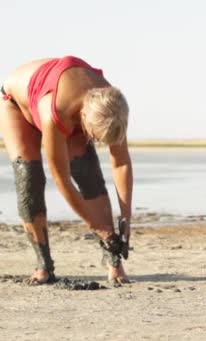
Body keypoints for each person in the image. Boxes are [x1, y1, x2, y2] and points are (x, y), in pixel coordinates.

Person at [0, 56, 133, 285]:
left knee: (88, 171)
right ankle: (44, 266)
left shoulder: (112, 106)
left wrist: (126, 217)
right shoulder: (56, 112)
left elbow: (120, 163)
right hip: (17, 103)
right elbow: (61, 180)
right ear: (84, 119)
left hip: (70, 99)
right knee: (29, 177)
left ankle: (114, 263)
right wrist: (97, 227)